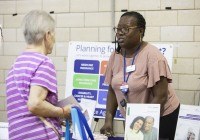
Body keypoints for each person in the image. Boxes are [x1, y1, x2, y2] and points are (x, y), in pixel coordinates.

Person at [100, 11, 180, 140]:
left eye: (125, 29)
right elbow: (112, 89)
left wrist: (141, 125)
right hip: (135, 116)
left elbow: (161, 96)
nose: (120, 33)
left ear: (140, 31)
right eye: (118, 29)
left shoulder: (153, 56)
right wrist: (108, 119)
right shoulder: (116, 55)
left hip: (162, 116)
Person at [6, 10, 72, 140]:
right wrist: (63, 112)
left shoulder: (15, 66)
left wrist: (55, 115)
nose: (54, 39)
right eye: (53, 34)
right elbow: (34, 104)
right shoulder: (44, 62)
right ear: (47, 35)